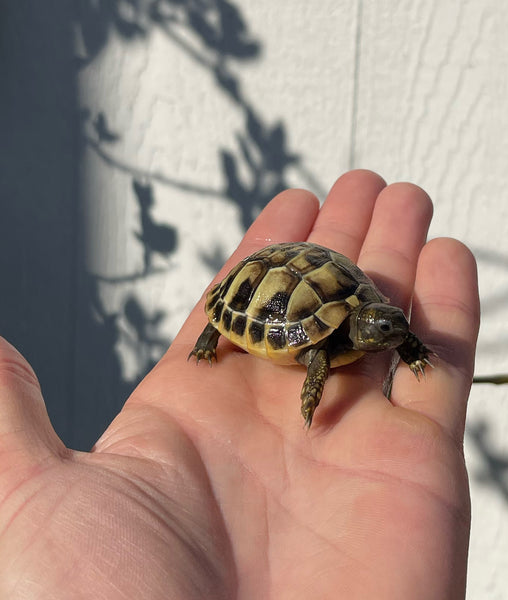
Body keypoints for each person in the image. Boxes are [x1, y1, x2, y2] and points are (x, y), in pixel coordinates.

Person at [0, 170, 479, 599]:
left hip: (321, 280)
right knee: (312, 354)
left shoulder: (378, 322)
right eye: (384, 330)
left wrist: (411, 347)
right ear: (362, 331)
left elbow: (391, 331)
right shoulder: (324, 345)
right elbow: (319, 359)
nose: (390, 334)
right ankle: (214, 334)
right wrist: (310, 393)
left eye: (391, 328)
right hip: (272, 288)